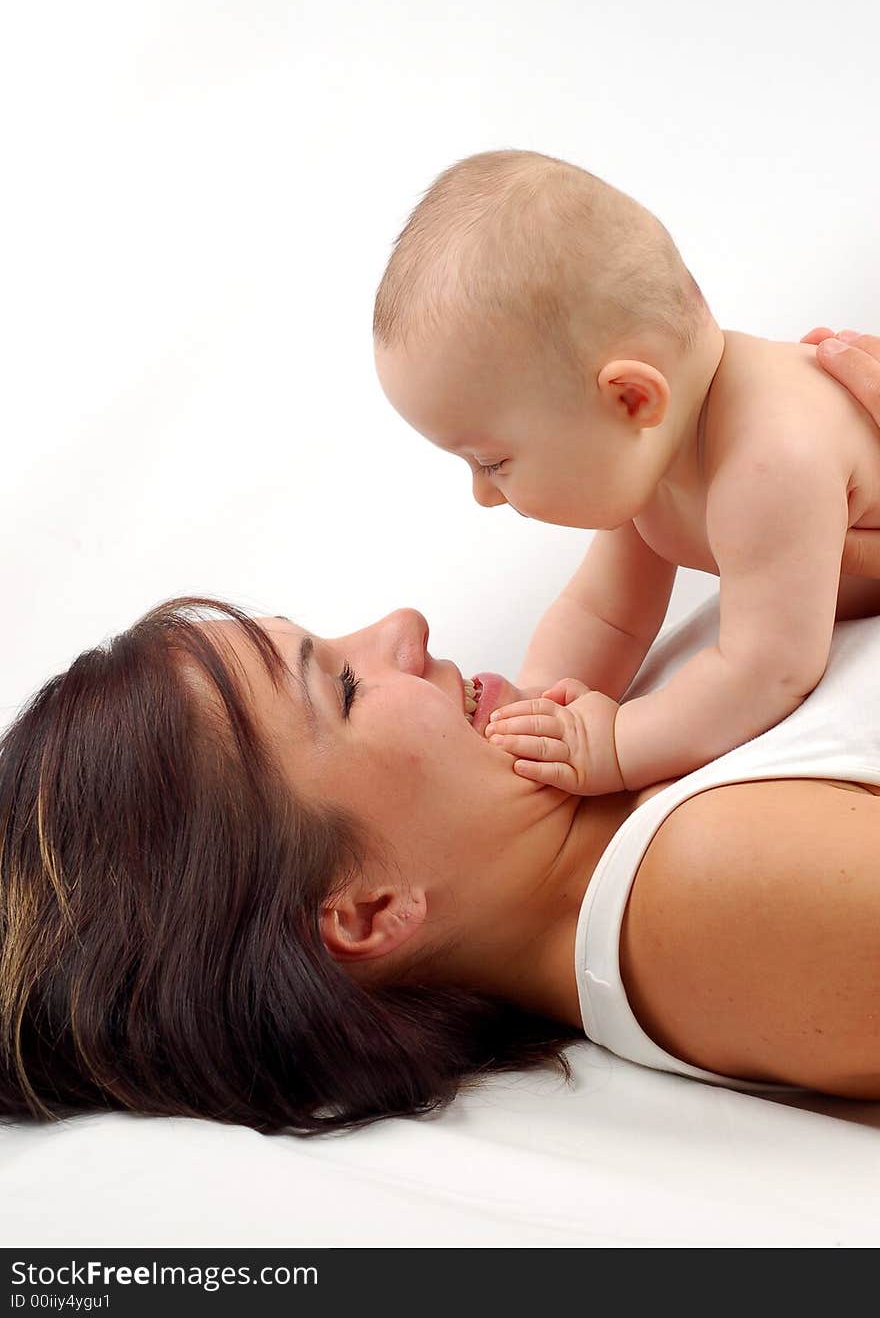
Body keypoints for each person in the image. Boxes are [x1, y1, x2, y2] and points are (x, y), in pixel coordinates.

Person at [1, 333, 879, 1137]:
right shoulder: (703, 890)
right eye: (343, 688)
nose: (406, 625)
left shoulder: (622, 723)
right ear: (369, 908)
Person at [374, 150, 880, 799]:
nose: (483, 495)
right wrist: (532, 709)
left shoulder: (770, 458)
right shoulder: (657, 454)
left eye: (493, 461)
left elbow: (768, 670)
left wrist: (612, 743)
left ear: (632, 399)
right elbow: (605, 616)